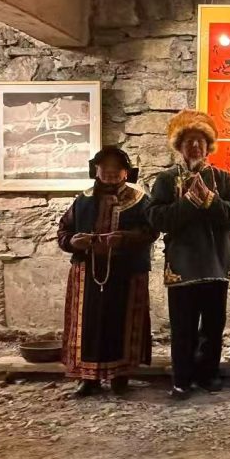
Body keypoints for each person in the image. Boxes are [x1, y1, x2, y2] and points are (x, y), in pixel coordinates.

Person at [147, 110, 230, 400]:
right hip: (182, 266)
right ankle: (182, 378)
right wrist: (189, 203)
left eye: (200, 141)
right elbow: (156, 218)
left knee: (214, 326)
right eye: (189, 141)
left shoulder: (223, 178)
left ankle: (208, 374)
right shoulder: (166, 180)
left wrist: (211, 201)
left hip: (216, 264)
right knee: (183, 327)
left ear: (208, 147)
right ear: (179, 147)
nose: (194, 146)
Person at [57, 147, 158, 397]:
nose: (111, 172)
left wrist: (124, 238)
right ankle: (88, 379)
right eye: (105, 168)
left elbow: (151, 231)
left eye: (117, 168)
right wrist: (73, 242)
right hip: (88, 273)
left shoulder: (140, 200)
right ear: (96, 170)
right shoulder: (83, 200)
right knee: (89, 325)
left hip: (126, 274)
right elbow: (64, 230)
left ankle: (120, 377)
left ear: (126, 172)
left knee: (120, 324)